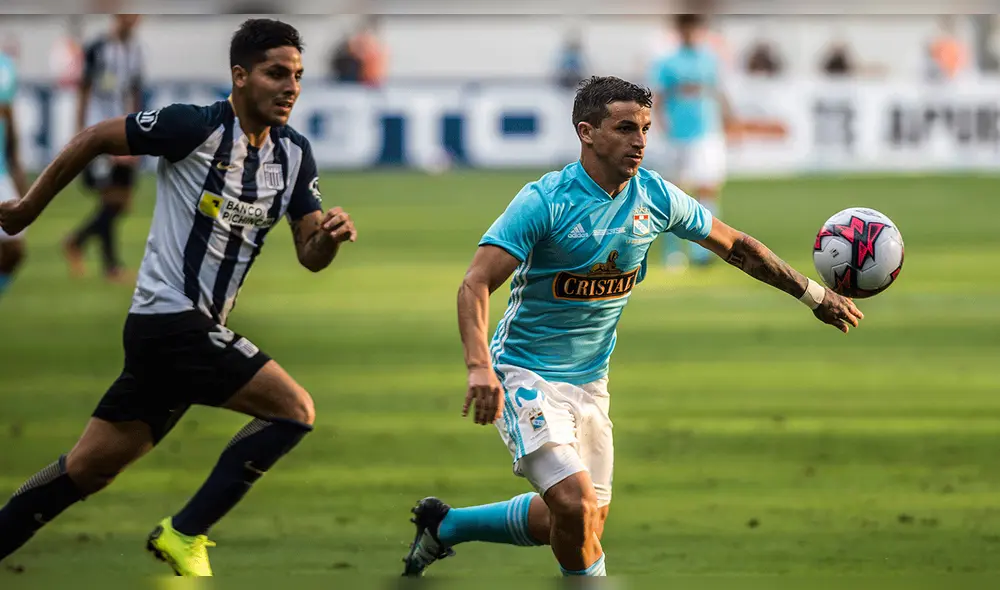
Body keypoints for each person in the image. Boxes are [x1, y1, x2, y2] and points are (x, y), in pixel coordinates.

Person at [401, 75, 863, 578]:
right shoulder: (545, 201)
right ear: (587, 132)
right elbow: (474, 284)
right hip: (524, 376)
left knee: (581, 521)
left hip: (591, 382)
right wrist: (478, 367)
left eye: (645, 128)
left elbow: (737, 246)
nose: (640, 141)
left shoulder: (655, 196)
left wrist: (814, 295)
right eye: (625, 128)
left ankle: (443, 528)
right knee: (575, 506)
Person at [0, 18, 357, 577]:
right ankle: (185, 532)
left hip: (183, 335)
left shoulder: (294, 155)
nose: (291, 87)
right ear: (240, 77)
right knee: (293, 411)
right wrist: (25, 211)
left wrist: (328, 238)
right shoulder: (192, 127)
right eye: (276, 74)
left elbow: (309, 254)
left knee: (85, 471)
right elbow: (97, 137)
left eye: (298, 76)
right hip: (170, 322)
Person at [649, 13, 734, 271]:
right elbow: (659, 96)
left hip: (707, 133)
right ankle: (673, 253)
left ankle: (702, 251)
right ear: (679, 31)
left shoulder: (710, 60)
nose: (690, 33)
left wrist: (729, 118)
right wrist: (660, 123)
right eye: (685, 29)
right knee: (674, 194)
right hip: (677, 135)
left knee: (707, 188)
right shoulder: (667, 62)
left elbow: (718, 92)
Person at [63, 14, 144, 283]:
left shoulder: (135, 51)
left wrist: (139, 131)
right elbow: (84, 90)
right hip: (99, 131)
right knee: (111, 199)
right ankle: (111, 266)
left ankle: (77, 240)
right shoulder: (98, 48)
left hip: (125, 130)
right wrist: (80, 134)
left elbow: (135, 92)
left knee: (121, 202)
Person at [0, 47, 28, 301]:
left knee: (15, 248)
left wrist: (16, 165)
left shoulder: (6, 67)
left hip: (0, 171)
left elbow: (8, 117)